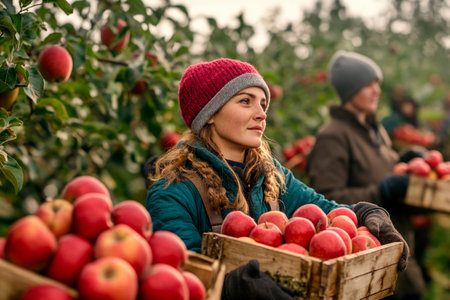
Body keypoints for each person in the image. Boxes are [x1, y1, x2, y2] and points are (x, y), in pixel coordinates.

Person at [145, 57, 409, 300]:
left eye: (263, 104)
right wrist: (232, 286)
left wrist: (365, 214)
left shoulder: (272, 175)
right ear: (210, 113)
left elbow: (324, 212)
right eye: (246, 101)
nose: (262, 113)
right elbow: (180, 275)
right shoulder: (174, 191)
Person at [306, 51, 426, 300]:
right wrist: (381, 192)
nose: (376, 91)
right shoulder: (333, 136)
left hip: (400, 246)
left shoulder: (375, 129)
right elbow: (327, 200)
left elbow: (380, 168)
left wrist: (402, 161)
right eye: (368, 84)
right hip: (370, 264)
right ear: (351, 90)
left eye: (377, 84)